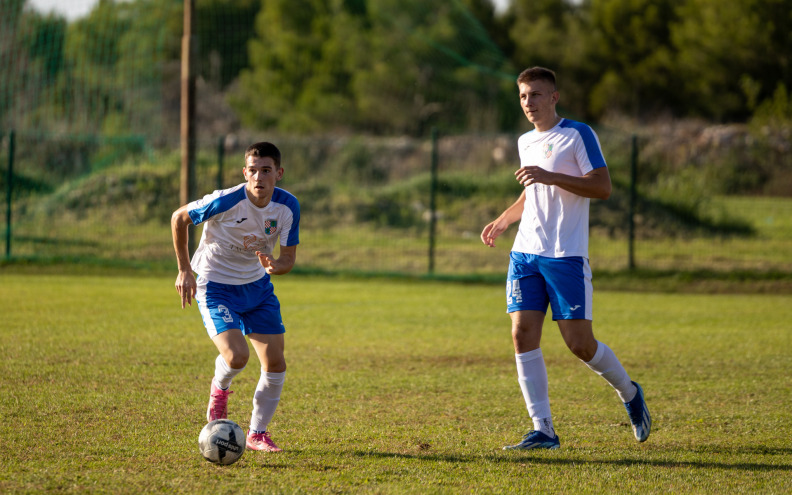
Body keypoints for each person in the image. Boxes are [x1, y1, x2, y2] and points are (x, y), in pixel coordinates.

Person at [480, 67, 650, 450]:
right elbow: (532, 193)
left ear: (554, 97)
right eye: (523, 96)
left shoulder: (577, 134)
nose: (529, 102)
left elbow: (602, 187)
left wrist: (552, 176)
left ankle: (629, 392)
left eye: (536, 94)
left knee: (580, 344)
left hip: (565, 255)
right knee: (521, 334)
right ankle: (543, 430)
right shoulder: (525, 141)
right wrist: (505, 218)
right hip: (526, 253)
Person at [171, 141, 300, 453]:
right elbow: (179, 218)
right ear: (245, 172)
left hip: (257, 288)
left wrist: (275, 266)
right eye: (253, 170)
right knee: (237, 357)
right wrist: (184, 270)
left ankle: (258, 434)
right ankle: (220, 389)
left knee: (275, 363)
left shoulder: (287, 207)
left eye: (266, 170)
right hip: (216, 286)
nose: (259, 177)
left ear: (279, 173)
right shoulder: (225, 201)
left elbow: (287, 259)